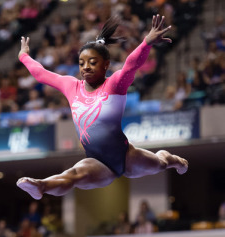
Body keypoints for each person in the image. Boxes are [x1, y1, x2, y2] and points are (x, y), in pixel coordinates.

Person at [16, 15, 188, 200]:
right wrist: (23, 56)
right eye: (81, 63)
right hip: (96, 161)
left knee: (161, 163)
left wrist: (146, 42)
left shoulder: (114, 85)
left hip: (126, 157)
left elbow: (131, 65)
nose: (85, 67)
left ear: (106, 65)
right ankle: (40, 186)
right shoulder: (71, 86)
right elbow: (41, 74)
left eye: (92, 62)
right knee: (73, 175)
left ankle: (176, 161)